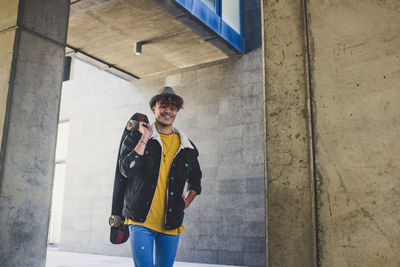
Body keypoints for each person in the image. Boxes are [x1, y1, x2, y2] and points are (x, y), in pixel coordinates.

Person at [118, 86, 202, 267]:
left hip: (171, 223)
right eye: (163, 106)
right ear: (153, 109)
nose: (168, 111)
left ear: (177, 112)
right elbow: (126, 169)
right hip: (140, 219)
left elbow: (196, 180)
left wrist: (186, 202)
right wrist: (144, 138)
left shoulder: (187, 147)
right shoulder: (138, 136)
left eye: (173, 108)